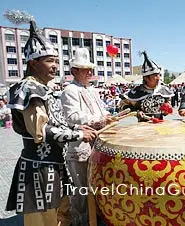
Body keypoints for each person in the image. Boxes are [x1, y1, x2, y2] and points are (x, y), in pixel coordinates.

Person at [5, 21, 97, 226]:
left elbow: (56, 121)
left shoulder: (44, 89)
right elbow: (40, 131)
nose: (55, 65)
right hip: (38, 168)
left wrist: (77, 128)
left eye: (56, 61)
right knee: (43, 219)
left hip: (53, 165)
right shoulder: (29, 88)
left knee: (59, 215)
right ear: (33, 63)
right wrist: (78, 135)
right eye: (49, 61)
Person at [60, 48, 113, 225]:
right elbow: (72, 116)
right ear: (74, 70)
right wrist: (99, 119)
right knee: (82, 187)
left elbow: (102, 110)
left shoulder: (93, 90)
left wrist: (108, 116)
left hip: (96, 144)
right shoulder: (70, 90)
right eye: (84, 69)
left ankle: (94, 217)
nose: (89, 72)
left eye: (90, 69)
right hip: (80, 146)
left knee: (95, 184)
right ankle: (81, 221)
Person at [120, 51, 174, 121]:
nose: (158, 78)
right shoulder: (136, 91)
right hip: (143, 127)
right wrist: (136, 112)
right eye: (155, 75)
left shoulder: (164, 90)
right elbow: (122, 104)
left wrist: (167, 110)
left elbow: (167, 105)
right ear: (146, 78)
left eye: (158, 75)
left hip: (160, 123)